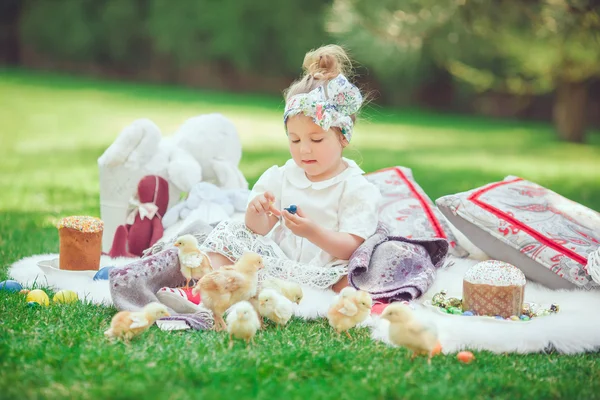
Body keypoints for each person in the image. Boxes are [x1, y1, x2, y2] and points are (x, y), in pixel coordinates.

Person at [157, 44, 381, 311]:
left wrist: (313, 232)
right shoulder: (283, 176)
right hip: (275, 263)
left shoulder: (355, 187)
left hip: (322, 273)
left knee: (357, 276)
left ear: (343, 136)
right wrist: (257, 211)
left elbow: (350, 248)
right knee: (230, 230)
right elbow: (257, 229)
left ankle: (358, 306)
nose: (304, 149)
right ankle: (203, 290)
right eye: (295, 139)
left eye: (316, 139)